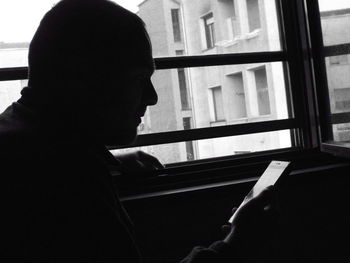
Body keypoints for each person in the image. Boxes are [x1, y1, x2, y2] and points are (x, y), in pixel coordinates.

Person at [0, 0, 278, 261]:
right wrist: (234, 247)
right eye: (138, 78)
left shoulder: (23, 138)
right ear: (85, 80)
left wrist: (109, 162)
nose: (152, 96)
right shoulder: (64, 178)